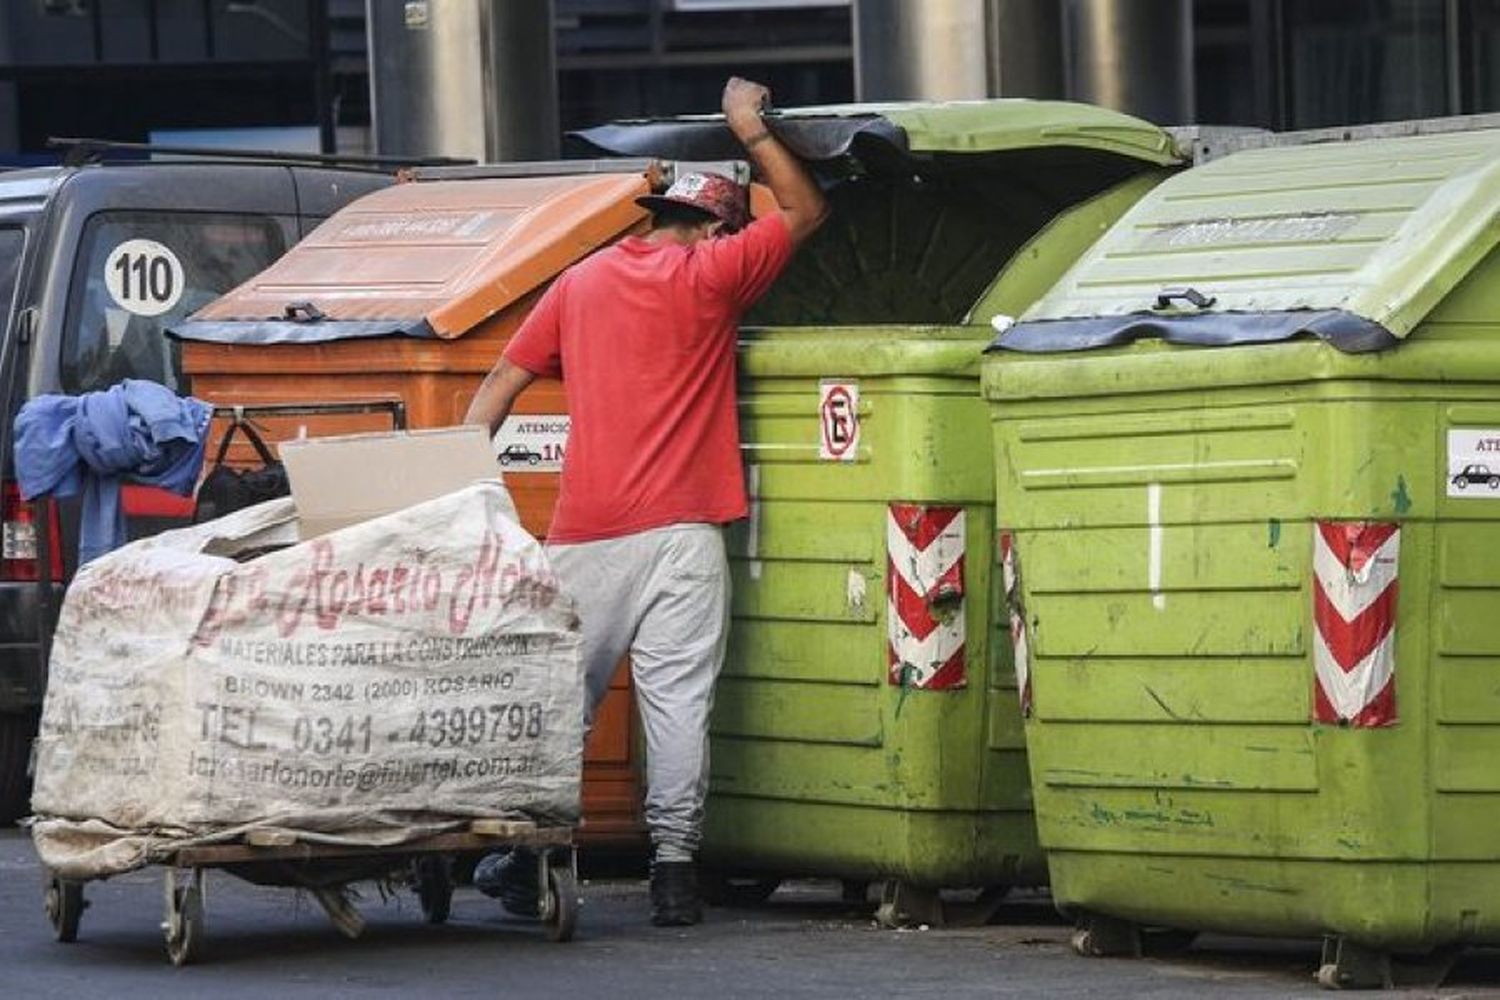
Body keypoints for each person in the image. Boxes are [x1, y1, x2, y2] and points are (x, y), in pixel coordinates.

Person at [463, 75, 827, 927]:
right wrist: (750, 128)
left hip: (586, 533)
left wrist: (455, 490)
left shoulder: (577, 283)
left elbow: (500, 385)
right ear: (711, 227)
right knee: (677, 702)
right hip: (684, 536)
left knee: (559, 702)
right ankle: (672, 873)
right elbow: (805, 212)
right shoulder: (711, 275)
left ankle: (528, 855)